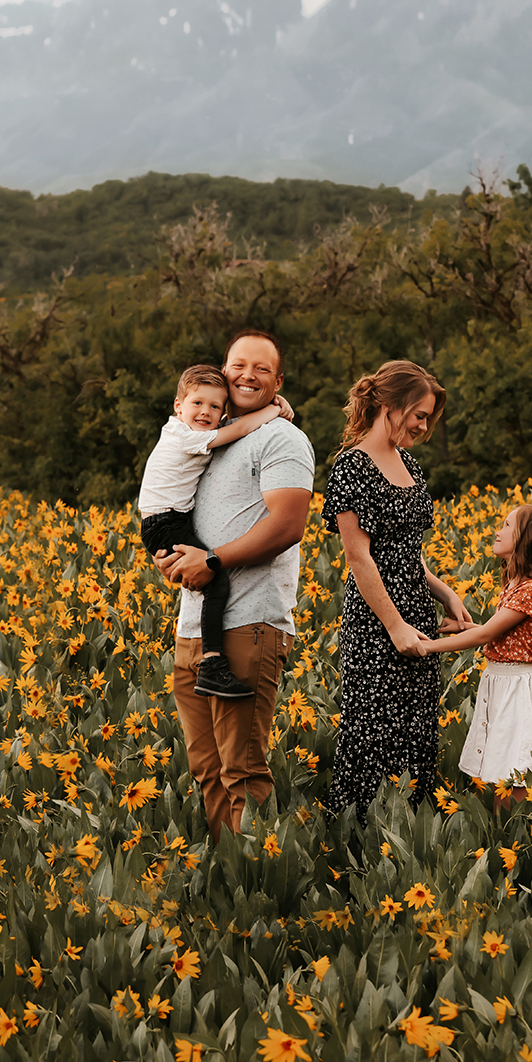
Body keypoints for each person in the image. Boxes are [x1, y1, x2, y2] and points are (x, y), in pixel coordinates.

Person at [153, 330, 315, 841]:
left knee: (242, 773)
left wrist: (214, 561)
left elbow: (287, 525)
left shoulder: (282, 438)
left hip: (248, 622)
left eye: (261, 369)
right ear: (222, 371)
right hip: (195, 625)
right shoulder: (210, 431)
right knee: (207, 772)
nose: (247, 375)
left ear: (278, 381)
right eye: (238, 366)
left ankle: (261, 891)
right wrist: (174, 558)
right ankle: (227, 892)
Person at [322, 361, 473, 825]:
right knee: (372, 735)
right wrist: (395, 625)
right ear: (388, 406)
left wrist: (444, 592)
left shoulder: (408, 463)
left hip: (415, 613)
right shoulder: (351, 466)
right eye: (419, 414)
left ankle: (411, 847)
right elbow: (359, 557)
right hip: (376, 621)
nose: (424, 426)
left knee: (416, 732)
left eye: (428, 418)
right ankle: (353, 846)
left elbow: (408, 550)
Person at [138, 363, 291, 701]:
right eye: (197, 403)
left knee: (208, 579)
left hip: (167, 521)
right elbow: (235, 431)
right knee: (216, 580)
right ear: (178, 406)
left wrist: (272, 404)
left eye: (214, 406)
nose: (205, 412)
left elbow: (232, 425)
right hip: (166, 521)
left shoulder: (192, 430)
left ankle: (209, 661)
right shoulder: (183, 434)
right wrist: (274, 408)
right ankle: (212, 663)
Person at [418, 503, 532, 812]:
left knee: (516, 766)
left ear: (529, 538)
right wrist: (463, 627)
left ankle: (515, 834)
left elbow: (486, 635)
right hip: (502, 679)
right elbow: (503, 633)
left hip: (517, 687)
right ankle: (504, 833)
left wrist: (428, 645)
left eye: (506, 526)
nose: (497, 531)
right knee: (503, 762)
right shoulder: (517, 583)